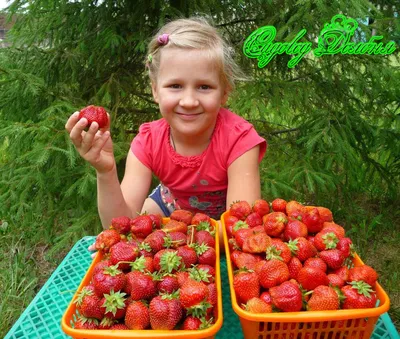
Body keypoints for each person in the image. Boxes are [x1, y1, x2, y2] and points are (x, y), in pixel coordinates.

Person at [65, 17, 267, 236]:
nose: (189, 101)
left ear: (224, 92)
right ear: (155, 90)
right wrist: (106, 172)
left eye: (204, 86)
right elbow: (120, 228)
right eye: (175, 86)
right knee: (142, 224)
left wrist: (180, 241)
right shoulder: (148, 141)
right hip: (170, 205)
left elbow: (240, 228)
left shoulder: (240, 140)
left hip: (222, 221)